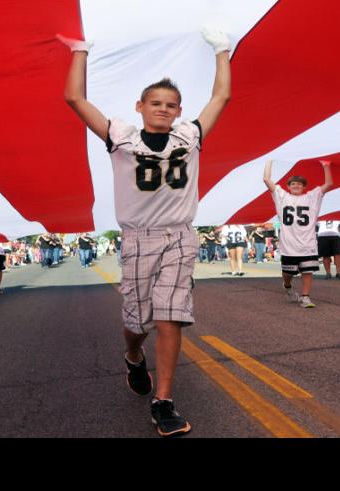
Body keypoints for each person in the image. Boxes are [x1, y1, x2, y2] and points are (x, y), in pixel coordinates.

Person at [61, 25, 231, 437]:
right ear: (140, 106)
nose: (163, 108)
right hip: (138, 238)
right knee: (138, 319)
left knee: (171, 316)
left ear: (178, 109)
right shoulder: (121, 137)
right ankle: (134, 355)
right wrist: (80, 51)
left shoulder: (189, 136)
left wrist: (222, 50)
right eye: (155, 102)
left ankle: (164, 400)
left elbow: (221, 97)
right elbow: (75, 98)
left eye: (170, 104)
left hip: (178, 236)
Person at [266, 160, 332, 308]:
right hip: (289, 244)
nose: (296, 185)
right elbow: (266, 179)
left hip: (308, 243)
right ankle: (287, 286)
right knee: (288, 274)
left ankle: (305, 297)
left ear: (304, 187)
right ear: (288, 187)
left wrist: (326, 165)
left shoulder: (312, 196)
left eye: (300, 184)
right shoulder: (282, 196)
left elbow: (328, 184)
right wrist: (269, 160)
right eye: (293, 183)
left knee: (307, 272)